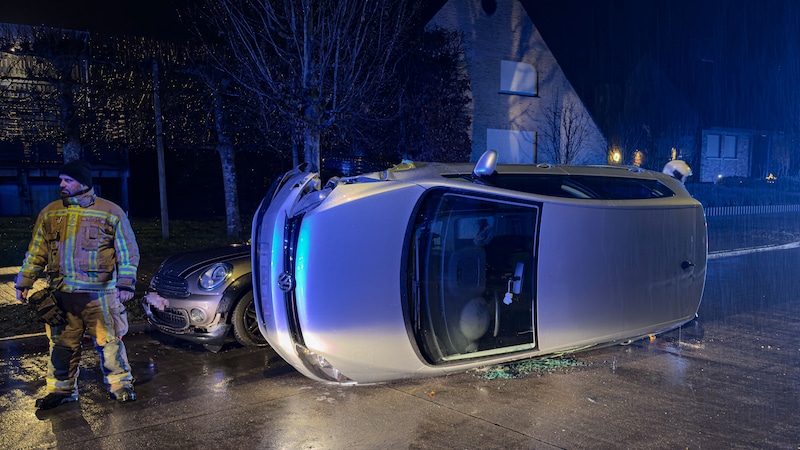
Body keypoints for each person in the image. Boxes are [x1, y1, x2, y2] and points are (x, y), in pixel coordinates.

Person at [15, 160, 140, 410]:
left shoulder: (110, 211)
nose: (61, 184)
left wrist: (125, 285)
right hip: (62, 294)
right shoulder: (50, 212)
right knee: (61, 345)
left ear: (83, 183)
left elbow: (127, 251)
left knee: (110, 341)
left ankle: (120, 385)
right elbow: (37, 250)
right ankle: (61, 390)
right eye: (61, 179)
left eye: (67, 180)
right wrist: (24, 281)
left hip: (100, 295)